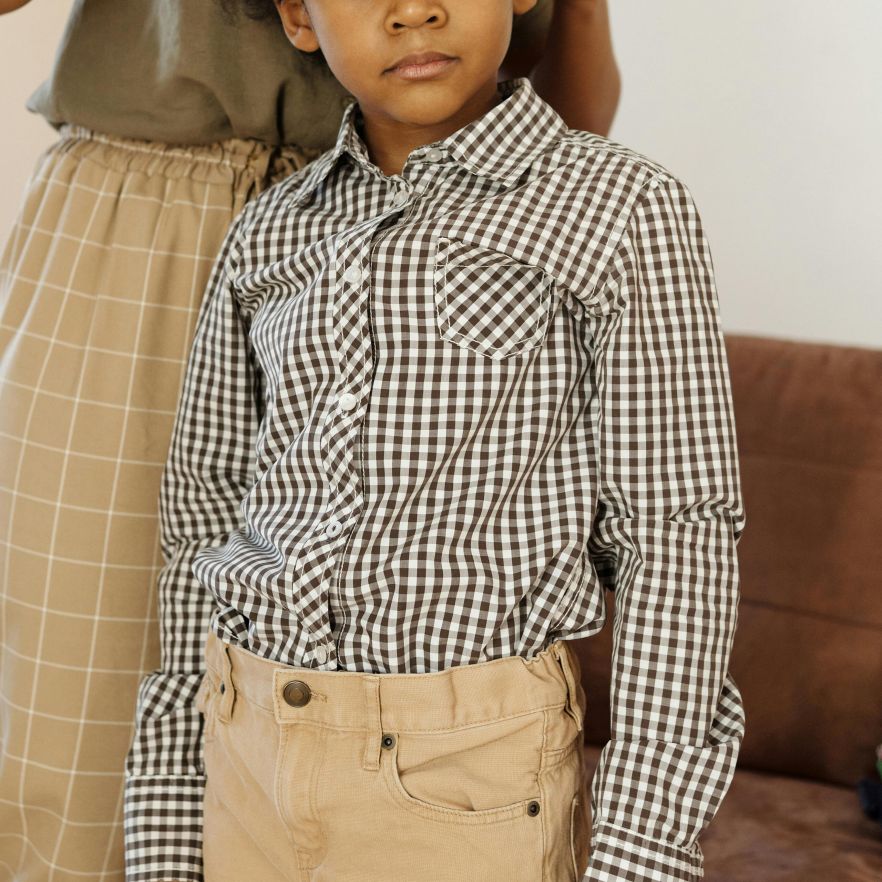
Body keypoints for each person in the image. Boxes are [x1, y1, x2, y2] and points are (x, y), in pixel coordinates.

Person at [123, 0, 747, 880]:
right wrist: (167, 822)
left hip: (472, 778)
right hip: (245, 758)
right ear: (298, 17)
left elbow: (676, 534)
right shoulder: (268, 230)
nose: (413, 9)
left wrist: (642, 851)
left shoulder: (619, 207)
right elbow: (202, 512)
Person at [0, 1, 623, 880]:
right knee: (72, 724)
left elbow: (563, 125)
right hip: (137, 218)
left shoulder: (610, 201)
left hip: (385, 215)